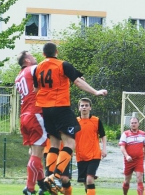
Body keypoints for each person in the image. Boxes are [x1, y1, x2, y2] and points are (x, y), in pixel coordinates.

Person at [33, 42, 107, 194]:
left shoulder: (38, 68)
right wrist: (95, 92)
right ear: (57, 52)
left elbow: (35, 89)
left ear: (43, 54)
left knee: (54, 144)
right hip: (60, 106)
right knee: (70, 143)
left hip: (45, 109)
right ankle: (56, 176)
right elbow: (78, 82)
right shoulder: (62, 65)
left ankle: (50, 175)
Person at [15, 51, 48, 195]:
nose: (35, 58)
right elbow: (48, 68)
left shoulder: (18, 77)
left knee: (34, 152)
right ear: (27, 60)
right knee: (37, 154)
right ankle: (29, 188)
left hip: (24, 115)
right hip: (35, 114)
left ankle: (43, 184)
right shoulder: (32, 69)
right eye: (32, 56)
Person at [75, 97, 107, 195]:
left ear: (90, 108)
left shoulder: (96, 120)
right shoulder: (75, 122)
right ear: (79, 108)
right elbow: (70, 137)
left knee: (89, 179)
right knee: (85, 182)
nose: (84, 107)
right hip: (81, 156)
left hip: (94, 155)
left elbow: (103, 135)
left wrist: (104, 149)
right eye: (82, 105)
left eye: (86, 105)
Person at [119, 117, 145, 195]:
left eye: (135, 123)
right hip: (128, 161)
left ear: (138, 124)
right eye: (132, 123)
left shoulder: (143, 134)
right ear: (130, 124)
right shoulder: (125, 134)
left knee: (139, 179)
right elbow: (122, 147)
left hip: (139, 160)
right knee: (126, 181)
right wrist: (127, 156)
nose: (134, 124)